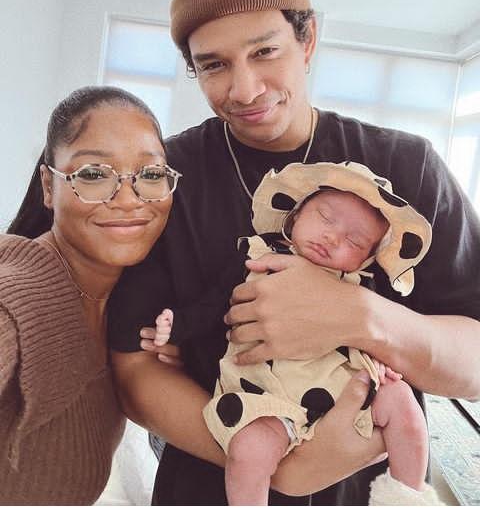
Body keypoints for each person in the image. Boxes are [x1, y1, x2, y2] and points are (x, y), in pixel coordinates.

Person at [108, 0, 480, 506]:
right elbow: (133, 369)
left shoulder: (407, 166)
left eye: (265, 51)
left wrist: (356, 314)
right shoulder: (167, 173)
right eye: (214, 65)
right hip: (209, 486)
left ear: (307, 40)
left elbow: (476, 363)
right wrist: (274, 465)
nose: (246, 88)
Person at [155, 161, 442, 505]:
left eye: (354, 240)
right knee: (250, 450)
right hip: (268, 397)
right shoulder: (258, 257)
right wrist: (178, 327)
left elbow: (378, 332)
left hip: (345, 388)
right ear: (296, 214)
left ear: (366, 260)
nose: (333, 237)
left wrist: (383, 365)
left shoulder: (362, 288)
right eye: (325, 217)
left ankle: (405, 495)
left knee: (404, 404)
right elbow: (215, 305)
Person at [0, 85, 181, 504]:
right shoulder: (14, 297)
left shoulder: (128, 313)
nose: (128, 199)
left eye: (150, 175)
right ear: (49, 186)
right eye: (94, 175)